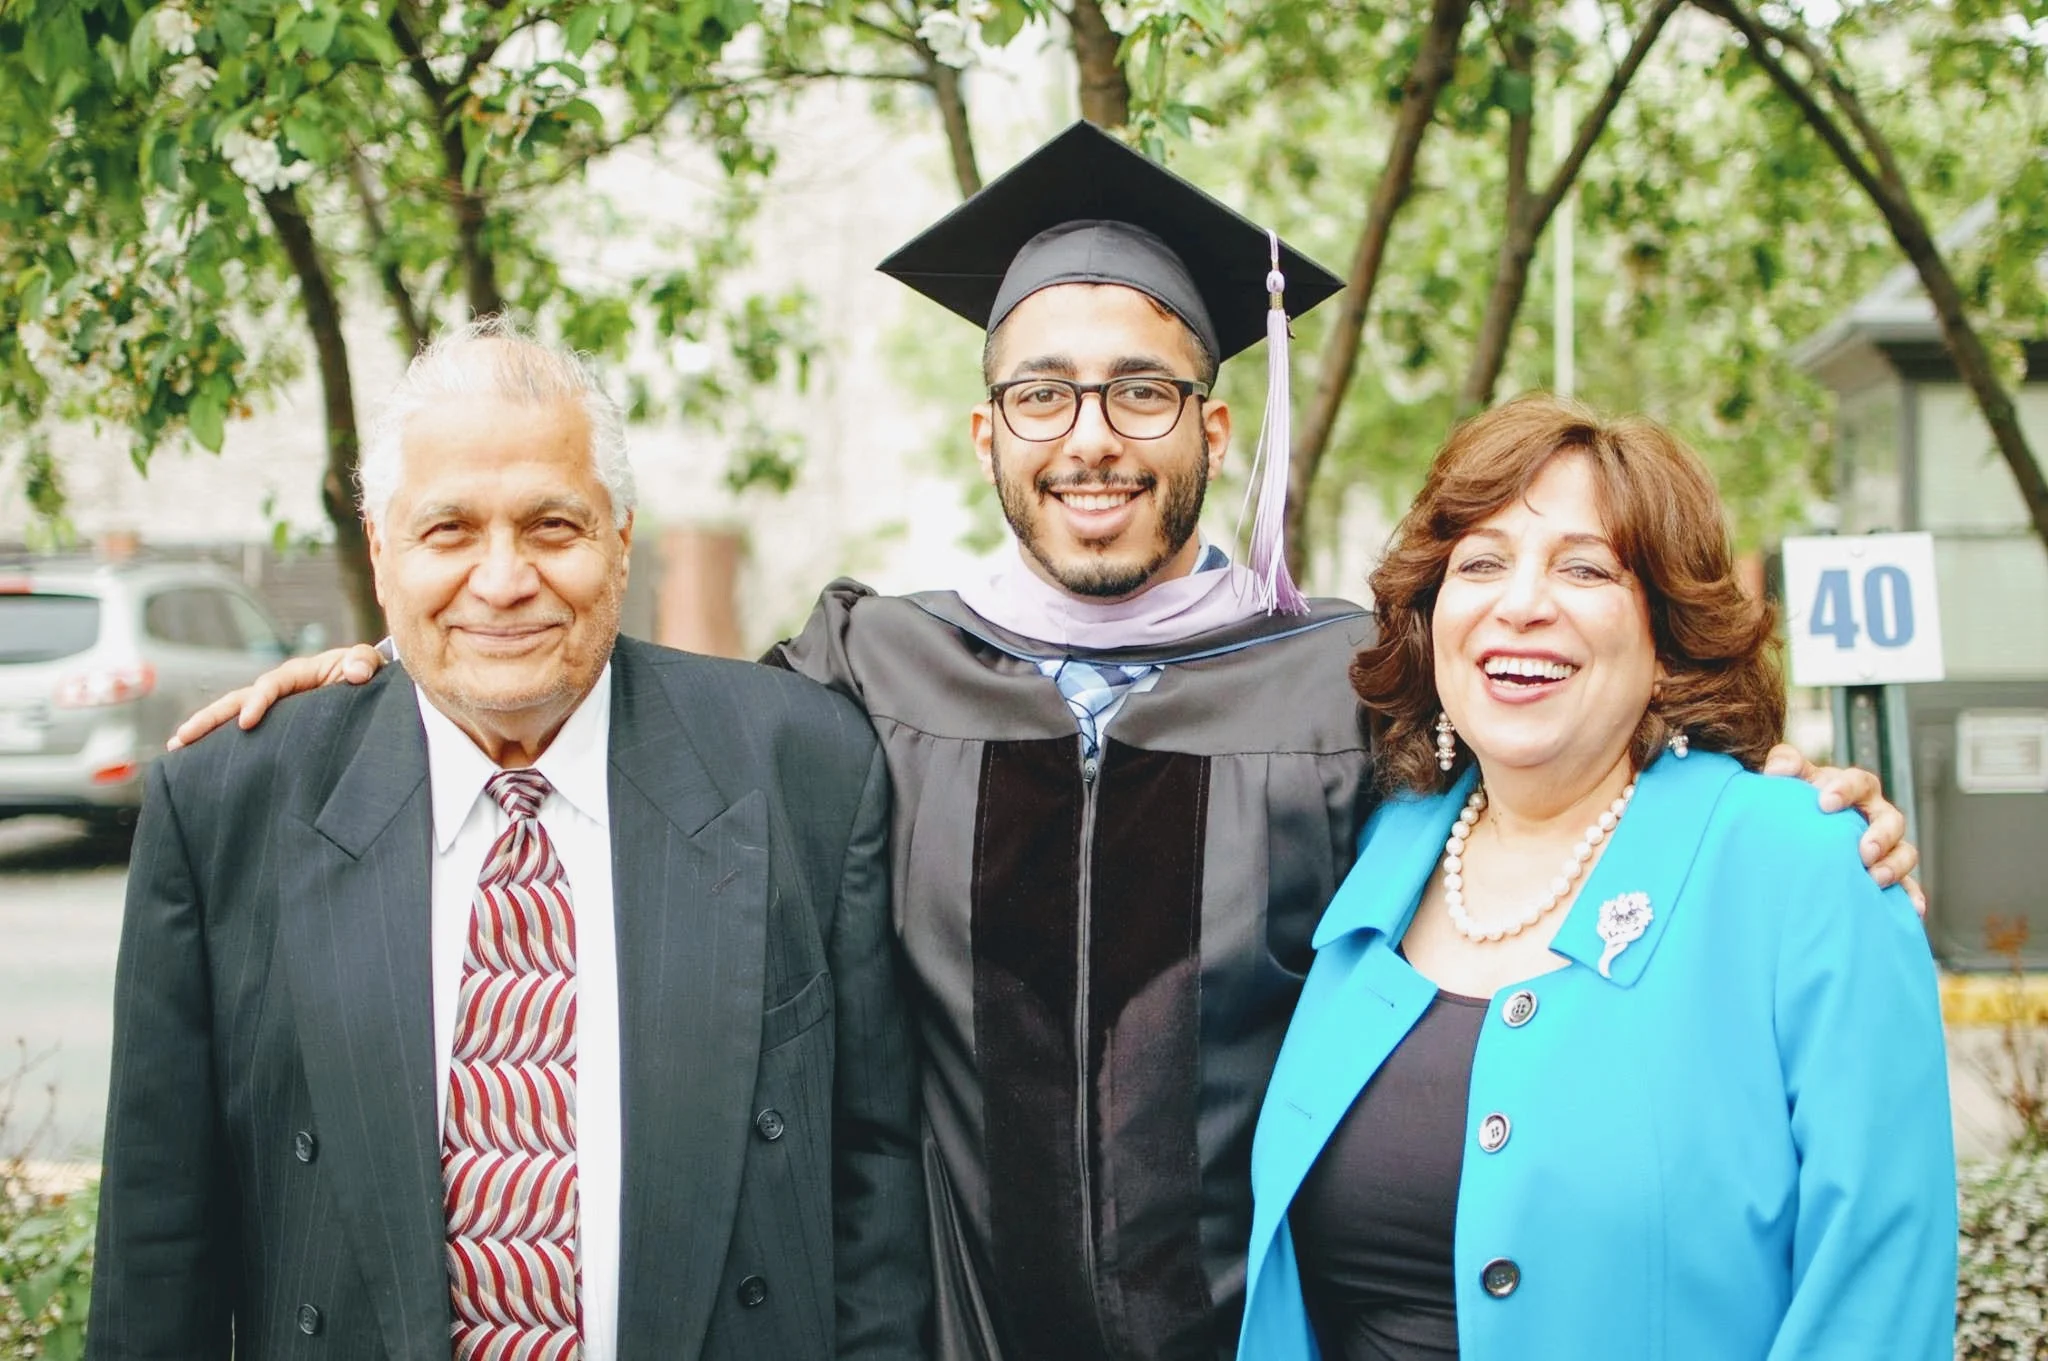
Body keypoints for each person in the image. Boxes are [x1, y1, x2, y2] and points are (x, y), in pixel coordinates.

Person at [166, 127, 1918, 1361]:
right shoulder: (867, 667)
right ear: (989, 429)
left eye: (1141, 392)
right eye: (1043, 394)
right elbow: (606, 719)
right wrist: (393, 684)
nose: (1092, 437)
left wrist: (1771, 800)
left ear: (1213, 426)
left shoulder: (1348, 692)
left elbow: (1567, 798)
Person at [89, 320, 929, 1361]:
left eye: (552, 526)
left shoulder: (804, 765)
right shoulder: (225, 805)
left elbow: (876, 1189)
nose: (502, 579)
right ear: (379, 543)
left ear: (621, 537)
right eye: (448, 530)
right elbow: (155, 1247)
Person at [1237, 395, 1956, 1361]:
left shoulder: (1809, 864)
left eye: (1584, 567)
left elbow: (1878, 1293)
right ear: (1432, 618)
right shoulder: (1370, 855)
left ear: (1666, 639)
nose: (1522, 602)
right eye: (1481, 563)